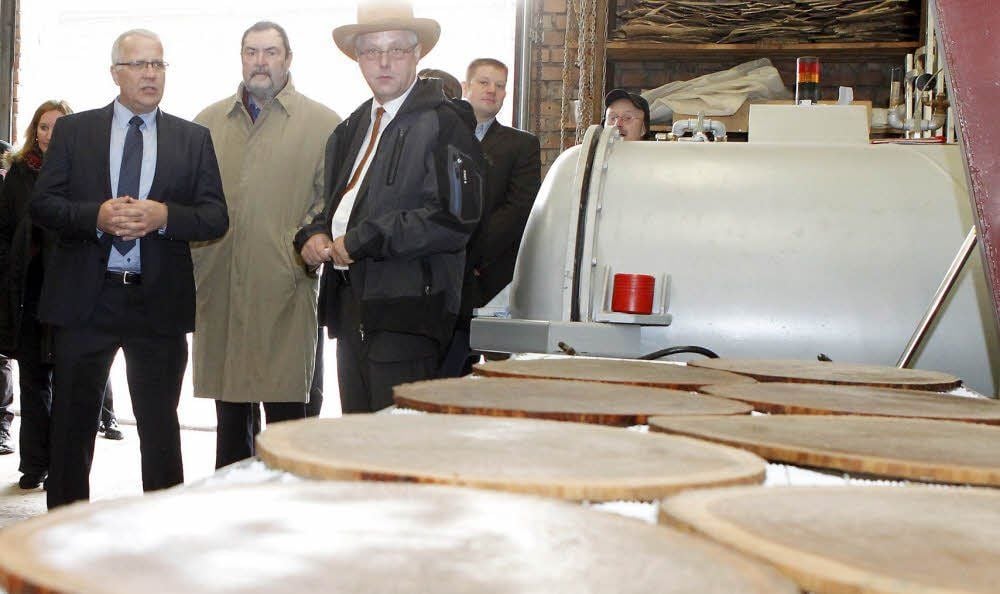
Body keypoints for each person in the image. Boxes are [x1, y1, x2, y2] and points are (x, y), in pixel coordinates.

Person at [30, 29, 228, 508]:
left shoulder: (192, 138)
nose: (150, 75)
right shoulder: (76, 131)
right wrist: (93, 216)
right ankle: (64, 532)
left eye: (158, 65)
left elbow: (215, 215)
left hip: (156, 305)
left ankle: (161, 534)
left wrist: (165, 218)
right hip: (85, 301)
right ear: (115, 72)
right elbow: (44, 204)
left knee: (161, 430)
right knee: (72, 430)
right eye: (139, 65)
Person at [295, 0, 484, 413]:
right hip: (350, 310)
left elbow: (455, 219)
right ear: (357, 58)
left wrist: (365, 239)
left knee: (399, 452)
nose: (383, 62)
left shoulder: (446, 123)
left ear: (417, 54)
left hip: (408, 315)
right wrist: (312, 235)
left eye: (396, 50)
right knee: (361, 442)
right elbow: (327, 206)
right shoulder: (351, 128)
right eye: (370, 51)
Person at [192, 21, 340, 468]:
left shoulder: (323, 124)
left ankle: (285, 519)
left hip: (283, 287)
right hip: (221, 287)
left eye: (271, 52)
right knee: (230, 418)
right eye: (251, 52)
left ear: (288, 59)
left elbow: (327, 205)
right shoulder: (207, 123)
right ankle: (229, 515)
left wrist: (298, 252)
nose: (260, 62)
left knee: (286, 421)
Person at [438, 57, 541, 377]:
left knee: (497, 377)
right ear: (466, 87)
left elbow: (518, 208)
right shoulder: (439, 137)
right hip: (440, 278)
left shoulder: (522, 144)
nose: (492, 91)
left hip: (492, 278)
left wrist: (468, 252)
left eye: (500, 86)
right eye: (484, 82)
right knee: (443, 374)